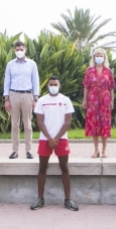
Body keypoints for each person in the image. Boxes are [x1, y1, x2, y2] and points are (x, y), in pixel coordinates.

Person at [31, 76, 79, 211]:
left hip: (61, 139)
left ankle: (68, 199)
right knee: (42, 168)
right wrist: (49, 138)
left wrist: (56, 138)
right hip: (44, 139)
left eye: (55, 84)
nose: (53, 86)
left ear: (59, 85)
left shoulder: (65, 100)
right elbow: (39, 121)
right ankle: (40, 199)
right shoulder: (42, 101)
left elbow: (68, 121)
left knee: (64, 167)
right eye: (51, 84)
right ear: (47, 86)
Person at [3, 40, 40, 159]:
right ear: (14, 50)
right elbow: (7, 82)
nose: (19, 51)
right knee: (14, 125)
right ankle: (15, 150)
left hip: (27, 95)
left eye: (21, 49)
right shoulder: (10, 64)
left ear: (25, 50)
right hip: (13, 94)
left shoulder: (32, 64)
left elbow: (35, 81)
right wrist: (6, 99)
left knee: (28, 124)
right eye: (17, 49)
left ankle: (29, 150)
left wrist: (35, 98)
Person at [82, 48, 115, 158]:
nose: (99, 57)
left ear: (104, 57)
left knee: (104, 124)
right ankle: (96, 150)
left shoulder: (108, 71)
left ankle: (104, 150)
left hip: (105, 99)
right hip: (92, 100)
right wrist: (84, 100)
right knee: (94, 124)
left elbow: (111, 87)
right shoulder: (89, 71)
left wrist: (112, 101)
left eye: (101, 55)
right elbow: (86, 86)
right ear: (94, 57)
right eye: (97, 55)